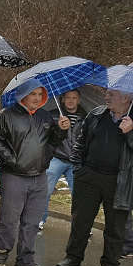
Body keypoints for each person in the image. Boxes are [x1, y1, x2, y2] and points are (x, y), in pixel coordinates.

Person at [55, 89, 133, 266]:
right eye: (106, 93)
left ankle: (111, 264)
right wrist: (78, 168)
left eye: (111, 94)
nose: (105, 97)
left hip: (119, 180)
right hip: (88, 177)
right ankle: (73, 257)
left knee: (115, 226)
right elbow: (80, 142)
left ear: (125, 98)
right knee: (80, 221)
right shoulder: (96, 114)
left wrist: (130, 133)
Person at [0, 78, 68, 266]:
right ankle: (0, 255)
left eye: (40, 95)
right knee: (9, 220)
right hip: (14, 175)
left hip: (40, 176)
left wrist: (61, 130)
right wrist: (10, 160)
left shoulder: (45, 116)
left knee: (32, 222)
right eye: (32, 94)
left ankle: (25, 260)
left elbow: (53, 141)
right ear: (23, 96)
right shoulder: (5, 116)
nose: (36, 98)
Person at [40, 89, 87, 227]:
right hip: (57, 158)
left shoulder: (86, 117)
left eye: (74, 97)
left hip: (76, 161)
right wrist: (59, 128)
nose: (71, 100)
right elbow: (46, 137)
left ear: (79, 100)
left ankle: (80, 225)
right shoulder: (54, 115)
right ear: (62, 99)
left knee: (79, 194)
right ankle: (40, 219)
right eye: (68, 97)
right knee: (45, 190)